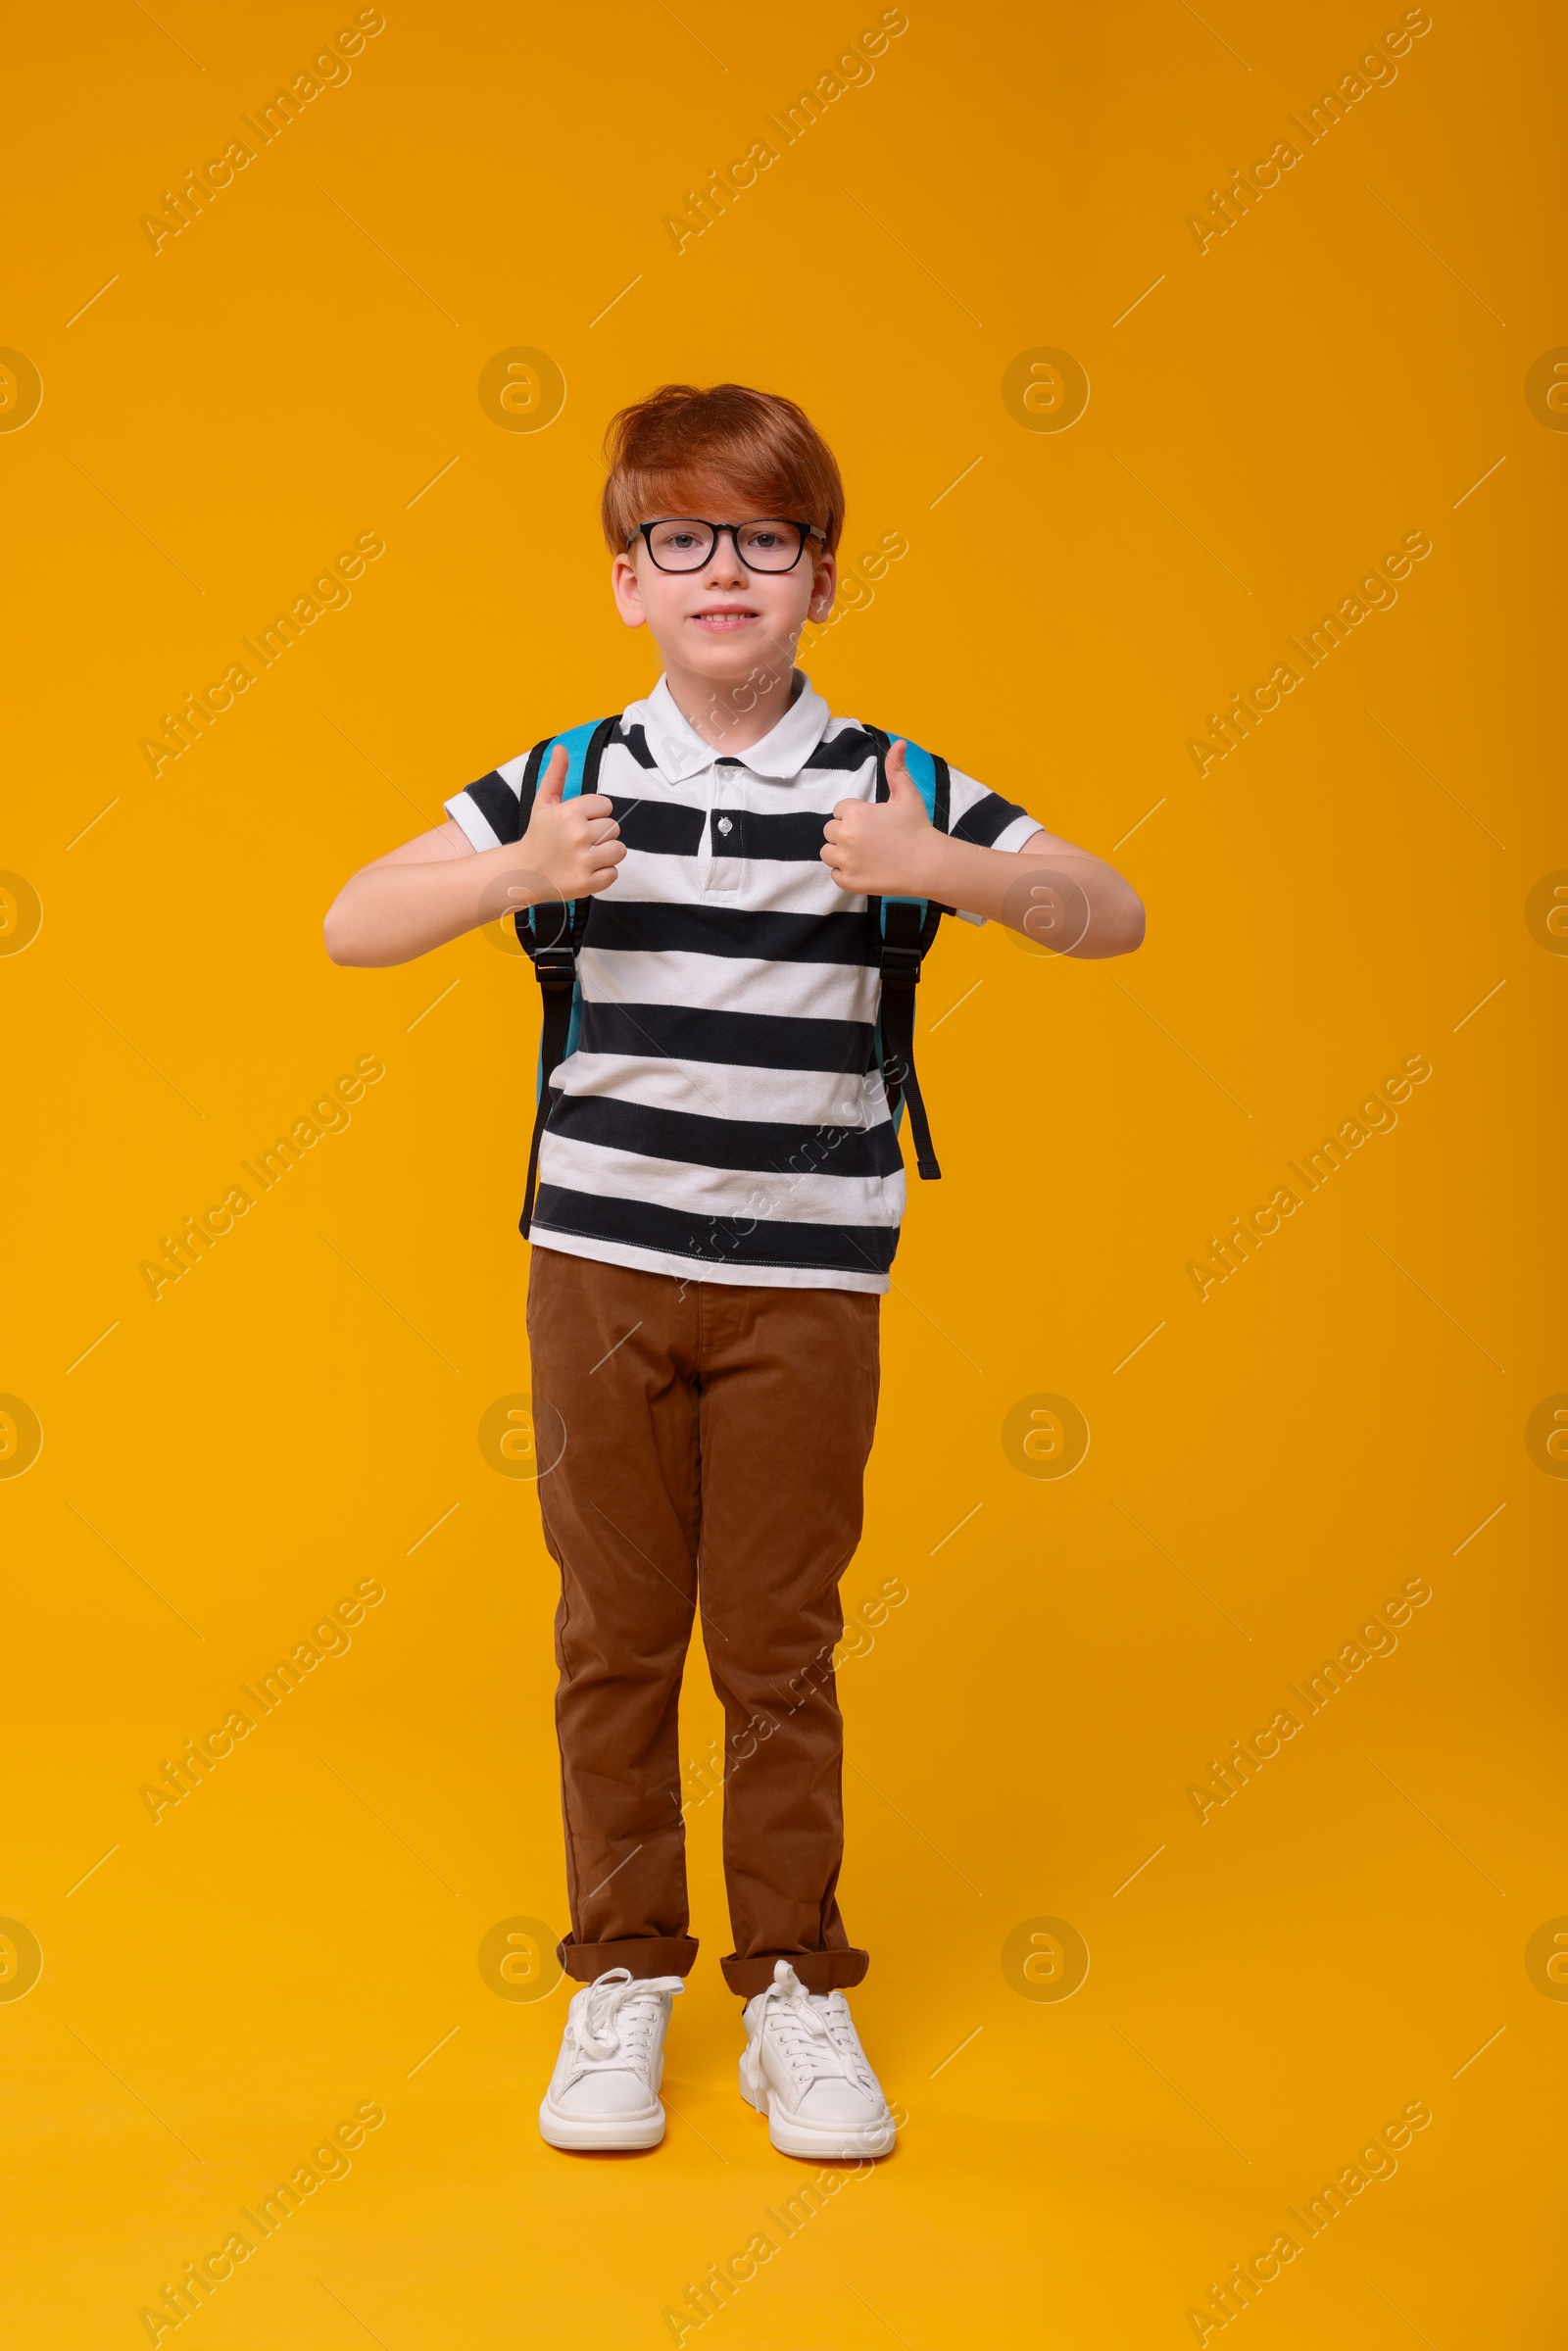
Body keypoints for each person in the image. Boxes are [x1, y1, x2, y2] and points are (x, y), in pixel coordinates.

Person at [323, 381, 1144, 2159]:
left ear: (820, 582)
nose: (721, 571)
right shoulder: (568, 777)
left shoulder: (891, 780)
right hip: (598, 1272)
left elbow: (1111, 905)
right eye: (677, 539)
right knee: (614, 1632)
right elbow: (350, 922)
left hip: (806, 1289)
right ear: (626, 582)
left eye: (762, 540)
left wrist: (950, 872)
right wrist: (518, 872)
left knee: (778, 1642)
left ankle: (794, 1993)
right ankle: (621, 1975)